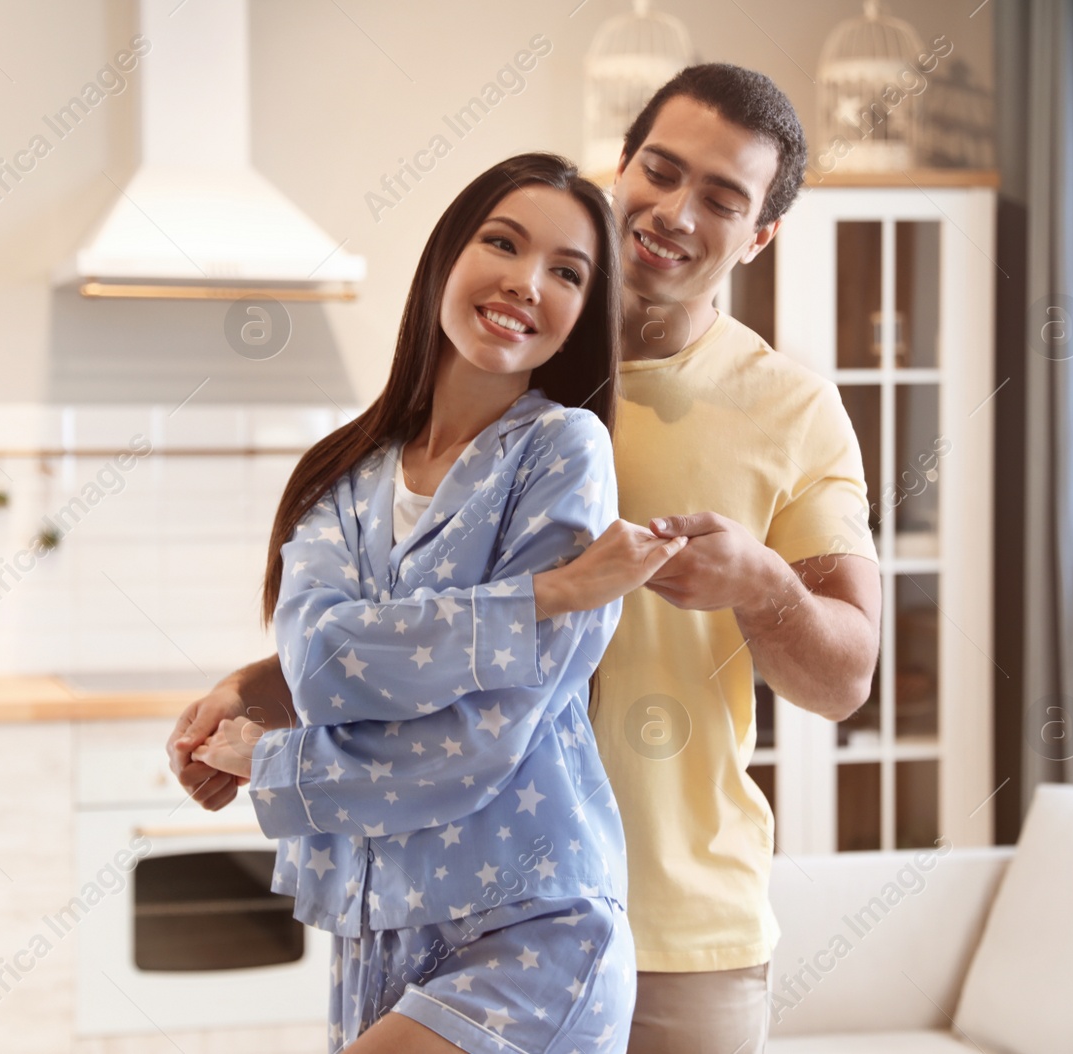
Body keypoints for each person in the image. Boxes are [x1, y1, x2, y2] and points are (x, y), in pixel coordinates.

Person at [175, 64, 882, 1053]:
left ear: (758, 235)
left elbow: (847, 673)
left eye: (721, 199)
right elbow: (416, 622)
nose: (676, 210)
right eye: (660, 170)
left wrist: (760, 581)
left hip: (682, 933)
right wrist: (266, 688)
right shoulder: (500, 366)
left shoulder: (793, 410)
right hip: (454, 907)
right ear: (620, 168)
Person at [189, 152, 687, 1054]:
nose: (527, 283)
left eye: (567, 273)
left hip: (534, 933)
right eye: (503, 242)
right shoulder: (341, 477)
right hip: (377, 939)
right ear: (446, 257)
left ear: (582, 313)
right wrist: (546, 594)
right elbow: (323, 660)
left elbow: (480, 737)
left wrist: (276, 763)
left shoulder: (563, 454)